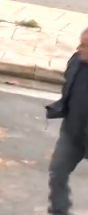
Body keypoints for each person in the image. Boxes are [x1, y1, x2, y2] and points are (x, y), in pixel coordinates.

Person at [45, 28, 88, 215]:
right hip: (72, 132)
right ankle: (59, 211)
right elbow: (68, 87)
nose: (79, 48)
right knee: (57, 171)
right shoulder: (77, 60)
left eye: (85, 45)